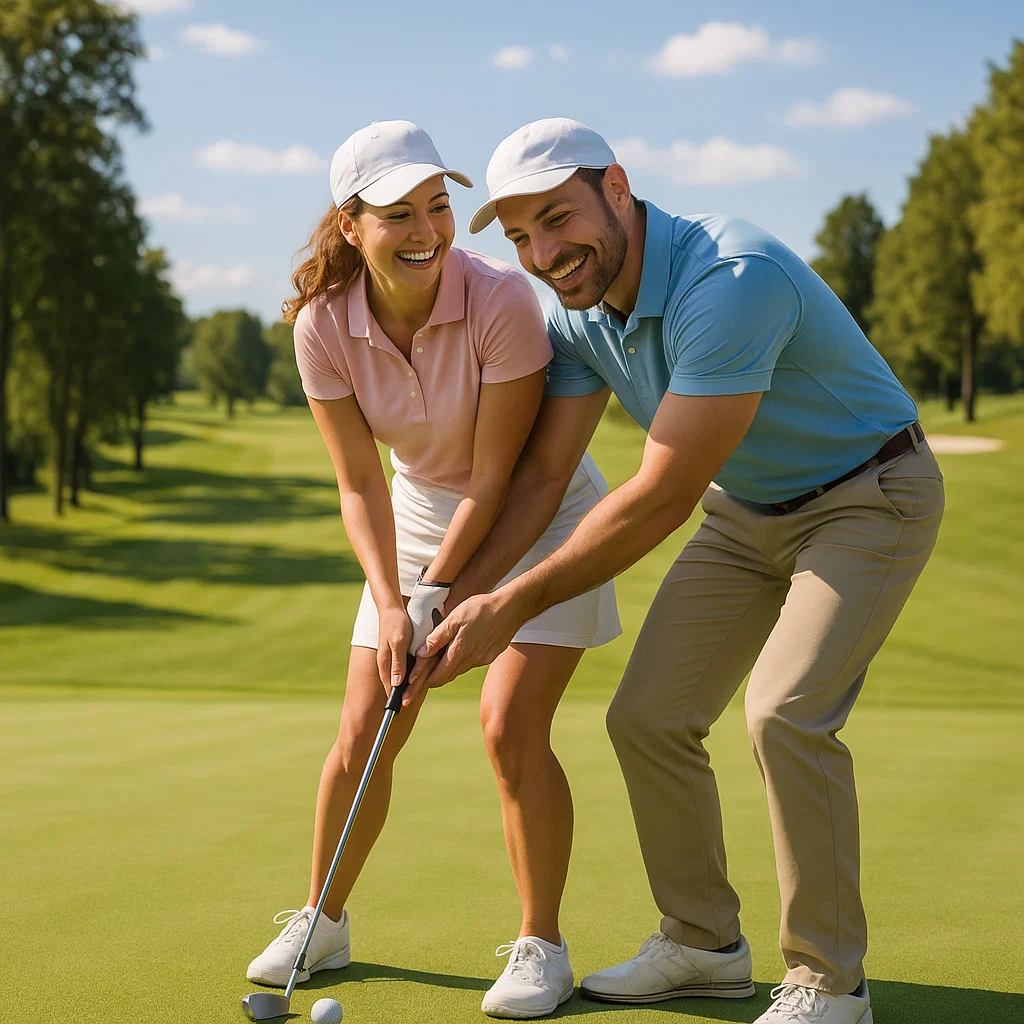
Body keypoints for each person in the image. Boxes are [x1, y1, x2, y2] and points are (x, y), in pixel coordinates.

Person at [409, 117, 944, 1024]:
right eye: (522, 236)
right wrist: (453, 594)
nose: (544, 255)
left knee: (785, 713)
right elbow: (542, 477)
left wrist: (515, 604)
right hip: (749, 510)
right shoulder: (575, 312)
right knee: (647, 717)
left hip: (868, 495)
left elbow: (661, 494)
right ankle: (703, 945)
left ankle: (830, 982)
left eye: (557, 219)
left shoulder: (732, 279)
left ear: (616, 188)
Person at [245, 121, 620, 1020]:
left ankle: (541, 946)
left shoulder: (501, 299)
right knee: (366, 727)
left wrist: (436, 595)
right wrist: (392, 600)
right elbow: (359, 483)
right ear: (350, 225)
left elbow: (497, 479)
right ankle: (322, 920)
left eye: (438, 207)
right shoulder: (322, 325)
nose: (428, 231)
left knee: (508, 725)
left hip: (538, 515)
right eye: (400, 214)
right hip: (418, 521)